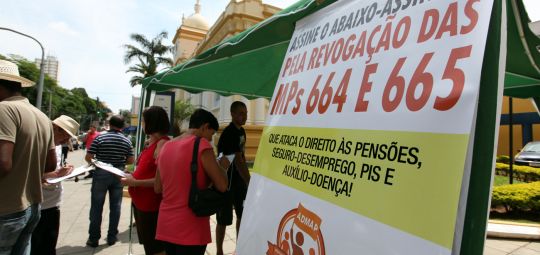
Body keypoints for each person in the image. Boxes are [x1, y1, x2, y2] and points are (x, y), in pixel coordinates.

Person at [154, 109, 230, 255]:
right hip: (190, 227)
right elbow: (222, 185)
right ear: (204, 127)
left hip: (166, 225)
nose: (210, 139)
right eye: (211, 133)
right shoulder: (201, 145)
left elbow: (158, 188)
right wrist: (223, 167)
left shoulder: (165, 146)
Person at [0, 59, 56, 254]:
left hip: (6, 209)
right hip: (32, 207)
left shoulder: (4, 110)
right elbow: (51, 164)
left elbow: (3, 164)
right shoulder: (42, 116)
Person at [121, 106, 170, 255]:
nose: (142, 124)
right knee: (149, 247)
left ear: (151, 122)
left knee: (156, 249)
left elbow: (161, 181)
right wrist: (132, 174)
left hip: (151, 206)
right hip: (140, 204)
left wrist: (135, 182)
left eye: (143, 121)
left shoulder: (162, 144)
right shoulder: (152, 143)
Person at [31, 115, 80, 255]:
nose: (65, 142)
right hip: (37, 203)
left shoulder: (56, 146)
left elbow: (55, 168)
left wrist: (65, 170)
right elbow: (26, 173)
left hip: (53, 202)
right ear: (54, 128)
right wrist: (51, 175)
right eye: (64, 137)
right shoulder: (36, 143)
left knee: (49, 245)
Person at [85, 115, 134, 247]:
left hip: (101, 173)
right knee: (116, 206)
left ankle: (93, 238)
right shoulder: (126, 140)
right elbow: (131, 160)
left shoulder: (100, 137)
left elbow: (88, 157)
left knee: (96, 207)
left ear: (110, 124)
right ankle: (112, 237)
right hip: (118, 174)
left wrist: (97, 163)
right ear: (122, 126)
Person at [215, 101, 251, 255]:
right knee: (223, 220)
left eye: (246, 113)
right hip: (226, 182)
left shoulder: (242, 131)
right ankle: (219, 251)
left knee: (242, 216)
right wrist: (250, 181)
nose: (244, 116)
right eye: (241, 113)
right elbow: (237, 160)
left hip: (239, 183)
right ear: (233, 114)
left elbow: (242, 155)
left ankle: (239, 247)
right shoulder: (229, 132)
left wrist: (245, 181)